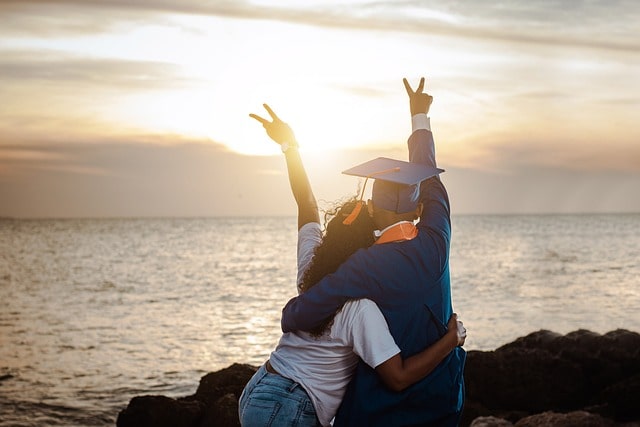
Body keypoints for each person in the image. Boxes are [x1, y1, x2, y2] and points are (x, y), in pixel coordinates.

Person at [238, 99, 466, 427]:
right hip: (292, 406)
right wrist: (420, 118)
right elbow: (432, 182)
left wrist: (290, 146)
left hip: (259, 388)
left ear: (372, 208)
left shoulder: (318, 263)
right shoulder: (431, 246)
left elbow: (306, 203)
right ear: (418, 211)